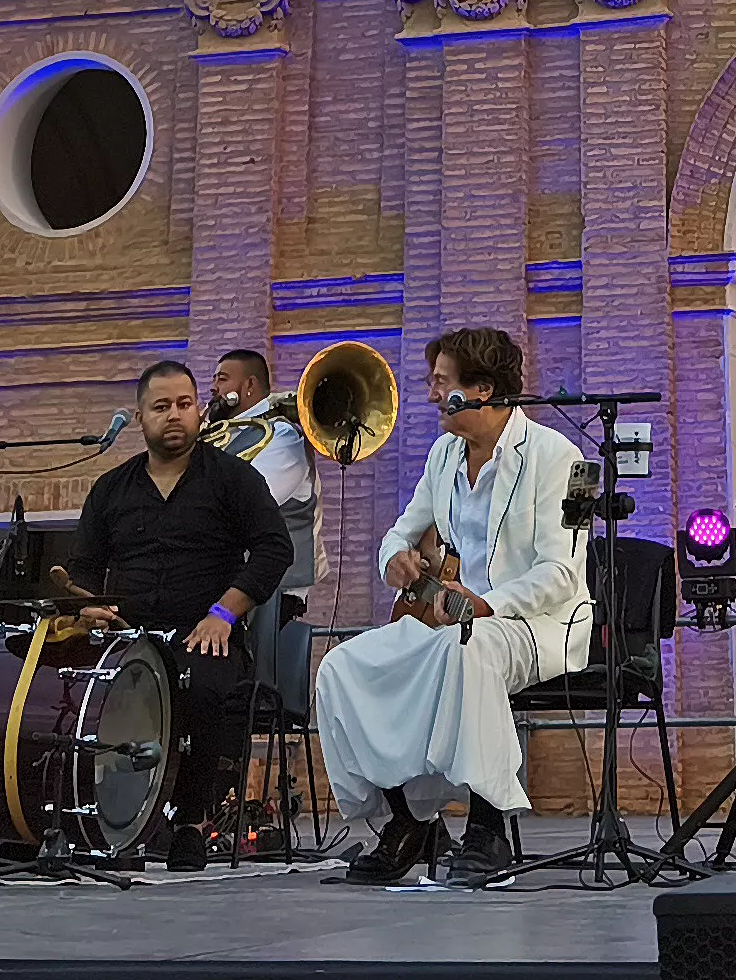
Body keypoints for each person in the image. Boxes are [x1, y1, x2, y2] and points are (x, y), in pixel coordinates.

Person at [315, 327, 588, 888]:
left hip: (536, 624)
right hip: (457, 625)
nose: (431, 394)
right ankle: (408, 821)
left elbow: (560, 575)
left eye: (441, 382)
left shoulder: (555, 455)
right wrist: (394, 558)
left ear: (482, 390)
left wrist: (485, 604)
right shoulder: (443, 454)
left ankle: (488, 830)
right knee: (343, 667)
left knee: (470, 648)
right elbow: (401, 532)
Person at [49, 358, 294, 871]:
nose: (175, 416)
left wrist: (224, 614)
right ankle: (108, 820)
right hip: (126, 636)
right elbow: (84, 566)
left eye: (184, 404)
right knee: (81, 691)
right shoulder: (111, 488)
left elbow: (274, 550)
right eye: (161, 407)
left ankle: (187, 821)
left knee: (203, 688)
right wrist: (90, 605)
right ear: (140, 418)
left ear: (199, 410)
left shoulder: (234, 478)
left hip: (206, 634)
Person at [209, 345, 321, 611]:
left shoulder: (281, 436)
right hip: (227, 588)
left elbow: (247, 504)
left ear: (249, 385)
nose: (214, 387)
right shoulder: (220, 434)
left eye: (222, 379)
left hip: (269, 597)